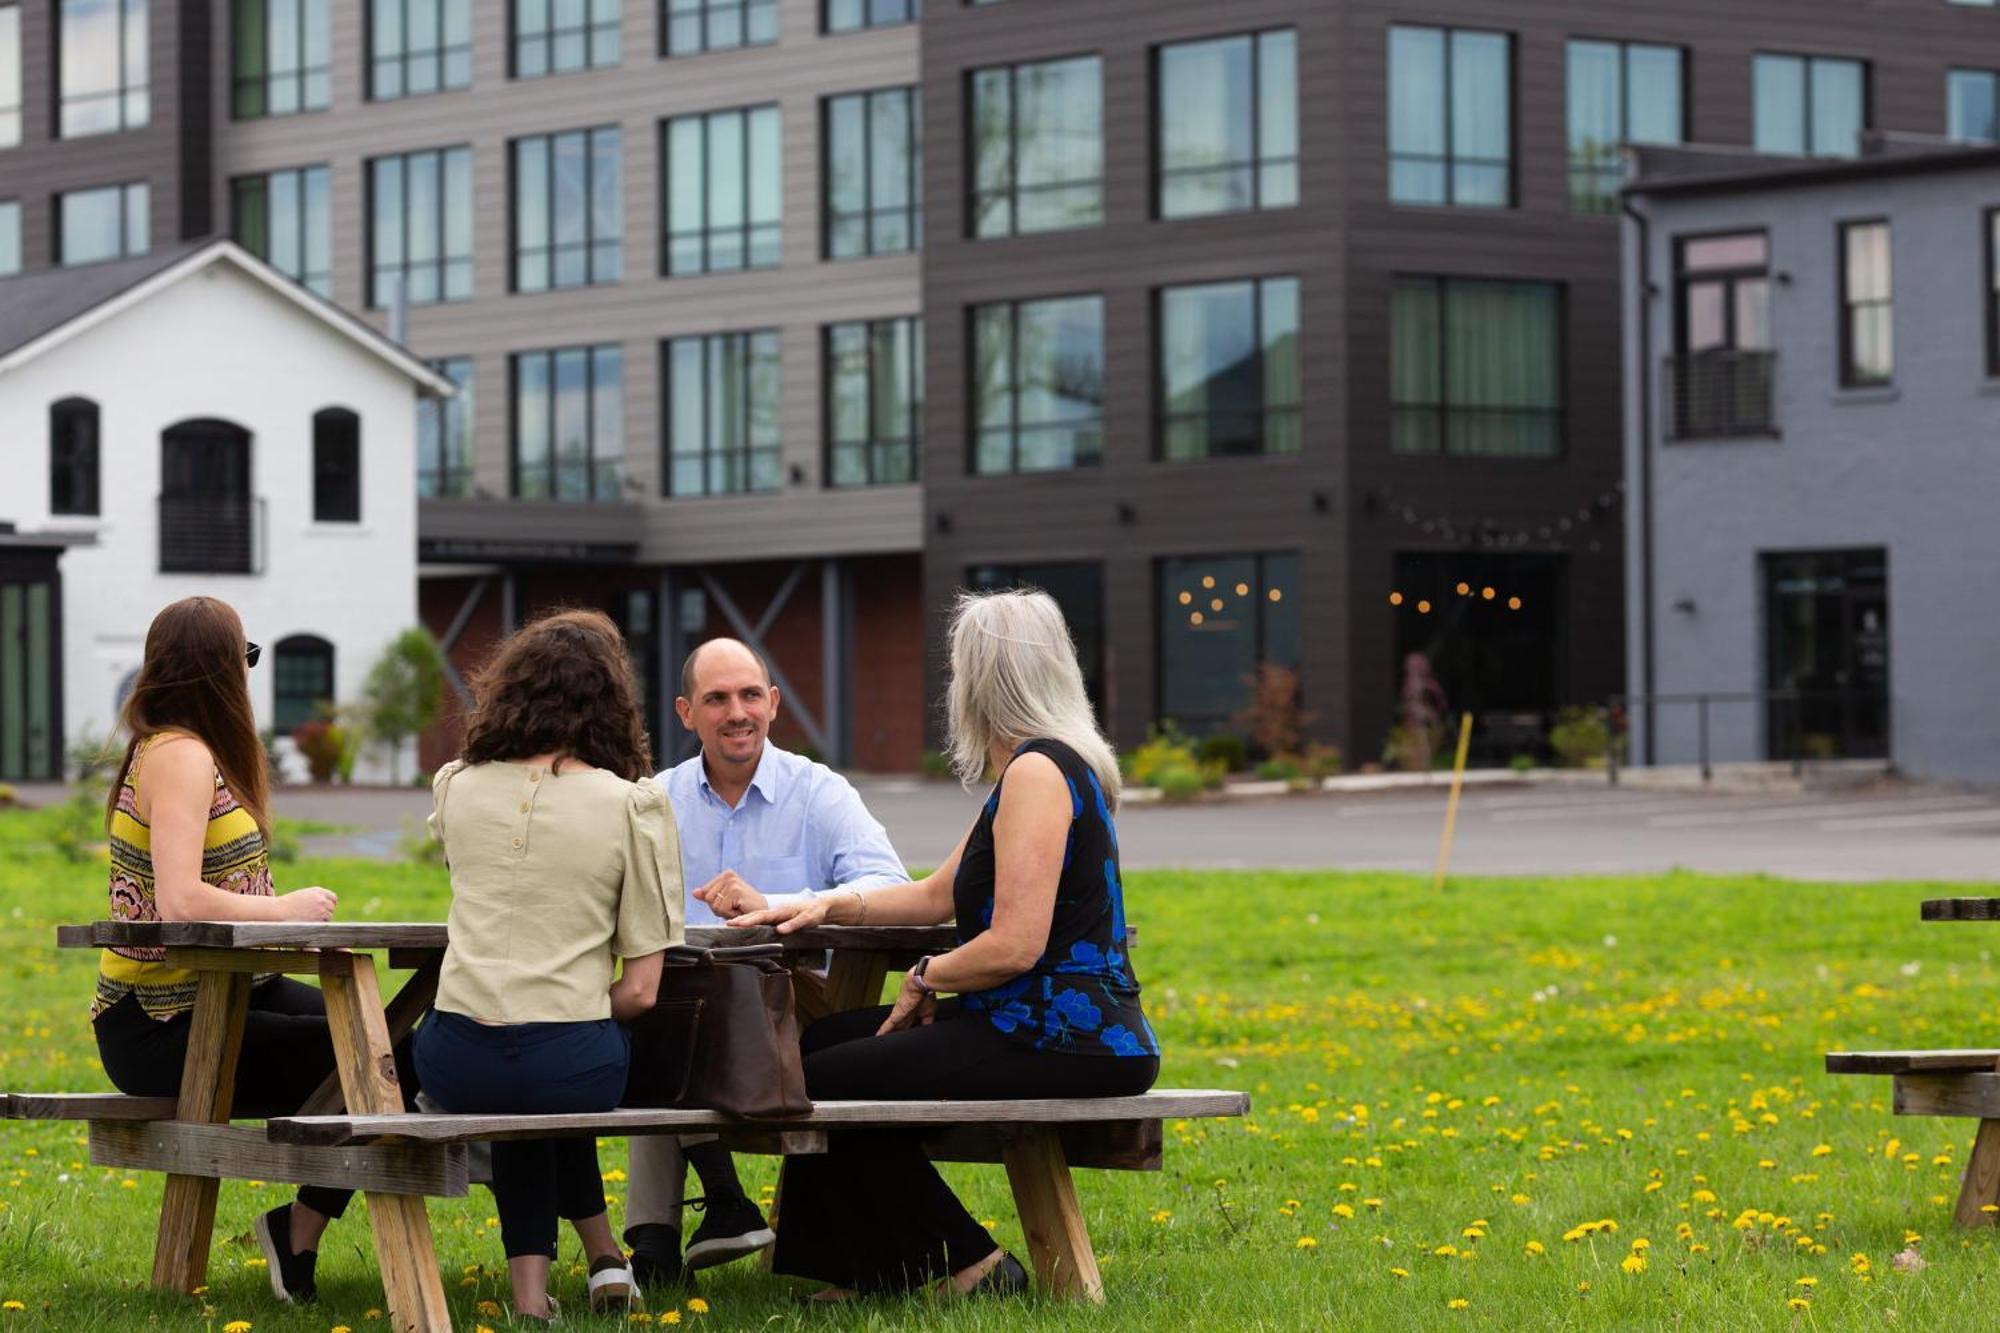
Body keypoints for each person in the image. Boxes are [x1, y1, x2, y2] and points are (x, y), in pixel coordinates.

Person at [729, 589, 1160, 1299]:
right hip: (1032, 1021)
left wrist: (927, 974)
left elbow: (1016, 944)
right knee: (820, 1044)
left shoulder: (1038, 774)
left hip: (1064, 1035)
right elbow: (934, 893)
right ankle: (862, 1264)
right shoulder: (1030, 771)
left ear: (983, 679)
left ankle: (971, 1264)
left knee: (827, 1079)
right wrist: (823, 902)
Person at [91, 596, 389, 1306]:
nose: (251, 675)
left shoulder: (192, 751)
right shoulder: (180, 756)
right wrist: (287, 907)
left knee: (391, 1045)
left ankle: (299, 1227)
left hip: (232, 993)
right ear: (220, 670)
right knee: (370, 1065)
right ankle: (301, 1233)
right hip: (161, 1024)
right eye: (246, 658)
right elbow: (181, 901)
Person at [414, 609, 684, 1323]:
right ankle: (592, 1264)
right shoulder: (633, 806)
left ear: (507, 692)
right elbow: (642, 989)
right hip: (569, 1056)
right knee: (546, 1071)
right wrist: (571, 1001)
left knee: (521, 1083)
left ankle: (543, 1293)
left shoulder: (456, 785)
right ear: (610, 701)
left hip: (452, 1055)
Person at [622, 636, 907, 1288]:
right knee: (661, 1009)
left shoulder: (818, 793)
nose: (737, 711)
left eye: (750, 694)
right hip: (682, 1018)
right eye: (717, 698)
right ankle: (681, 1229)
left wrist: (776, 905)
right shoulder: (653, 801)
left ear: (774, 704)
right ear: (686, 712)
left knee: (670, 1019)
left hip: (803, 1021)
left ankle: (670, 1235)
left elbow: (893, 892)